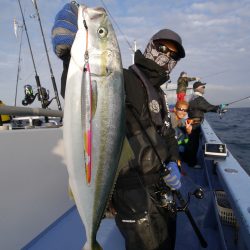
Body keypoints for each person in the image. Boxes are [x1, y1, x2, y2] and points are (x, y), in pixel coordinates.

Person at [52, 3, 186, 250]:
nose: (166, 56)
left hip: (161, 189)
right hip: (133, 193)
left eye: (173, 55)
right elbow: (85, 90)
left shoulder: (158, 93)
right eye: (161, 48)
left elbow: (167, 135)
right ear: (149, 46)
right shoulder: (124, 78)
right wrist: (67, 57)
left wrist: (174, 163)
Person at [184, 81, 226, 168]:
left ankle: (187, 159)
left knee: (190, 143)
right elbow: (208, 107)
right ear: (197, 88)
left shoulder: (191, 98)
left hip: (190, 122)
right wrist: (219, 108)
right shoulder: (199, 99)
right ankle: (192, 163)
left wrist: (218, 108)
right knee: (194, 144)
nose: (204, 89)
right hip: (195, 124)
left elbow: (204, 108)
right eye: (203, 87)